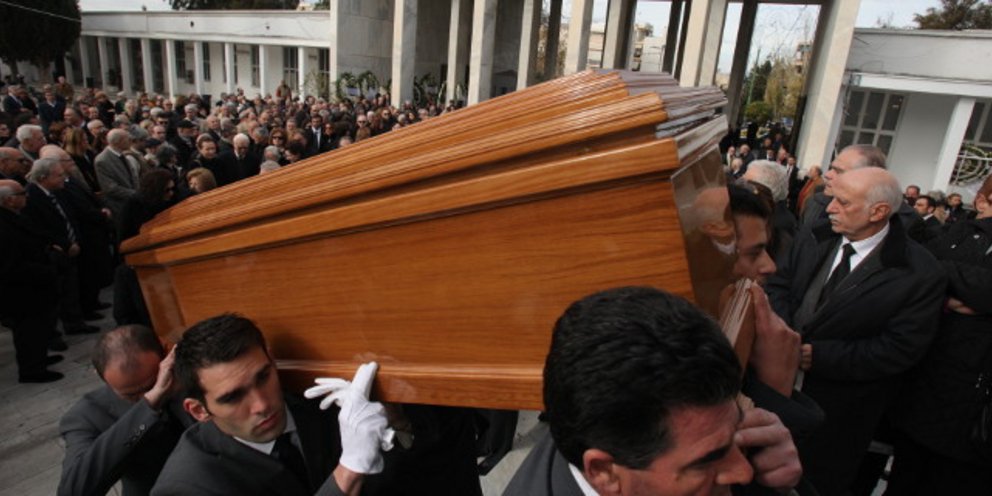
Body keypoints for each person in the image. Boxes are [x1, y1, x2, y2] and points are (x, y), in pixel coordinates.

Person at [504, 286, 802, 495]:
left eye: (736, 432)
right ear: (604, 472)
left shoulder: (611, 430)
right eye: (707, 460)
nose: (744, 472)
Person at [765, 167, 946, 495]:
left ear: (878, 212)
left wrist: (820, 357)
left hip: (840, 413)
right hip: (777, 391)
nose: (830, 208)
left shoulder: (919, 272)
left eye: (843, 202)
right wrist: (782, 332)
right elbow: (778, 284)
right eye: (832, 199)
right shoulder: (813, 236)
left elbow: (901, 347)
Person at [151, 314, 395, 496]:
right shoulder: (188, 485)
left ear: (272, 359)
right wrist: (350, 470)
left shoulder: (322, 404)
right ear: (199, 410)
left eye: (263, 377)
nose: (261, 405)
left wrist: (396, 418)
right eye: (233, 397)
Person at [887, 173, 992, 493]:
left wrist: (957, 285)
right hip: (932, 385)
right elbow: (921, 266)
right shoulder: (959, 234)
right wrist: (947, 295)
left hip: (976, 413)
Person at [58, 325, 191, 496]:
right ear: (100, 376)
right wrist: (147, 405)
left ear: (165, 355)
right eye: (131, 395)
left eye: (152, 384)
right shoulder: (87, 415)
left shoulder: (191, 374)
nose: (144, 395)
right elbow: (73, 491)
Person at [0, 179, 63, 382]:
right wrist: (45, 270)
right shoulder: (4, 227)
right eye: (21, 194)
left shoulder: (15, 217)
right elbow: (11, 265)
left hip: (34, 284)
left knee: (39, 328)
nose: (26, 196)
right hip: (22, 289)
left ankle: (39, 357)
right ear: (9, 200)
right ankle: (32, 370)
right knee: (28, 330)